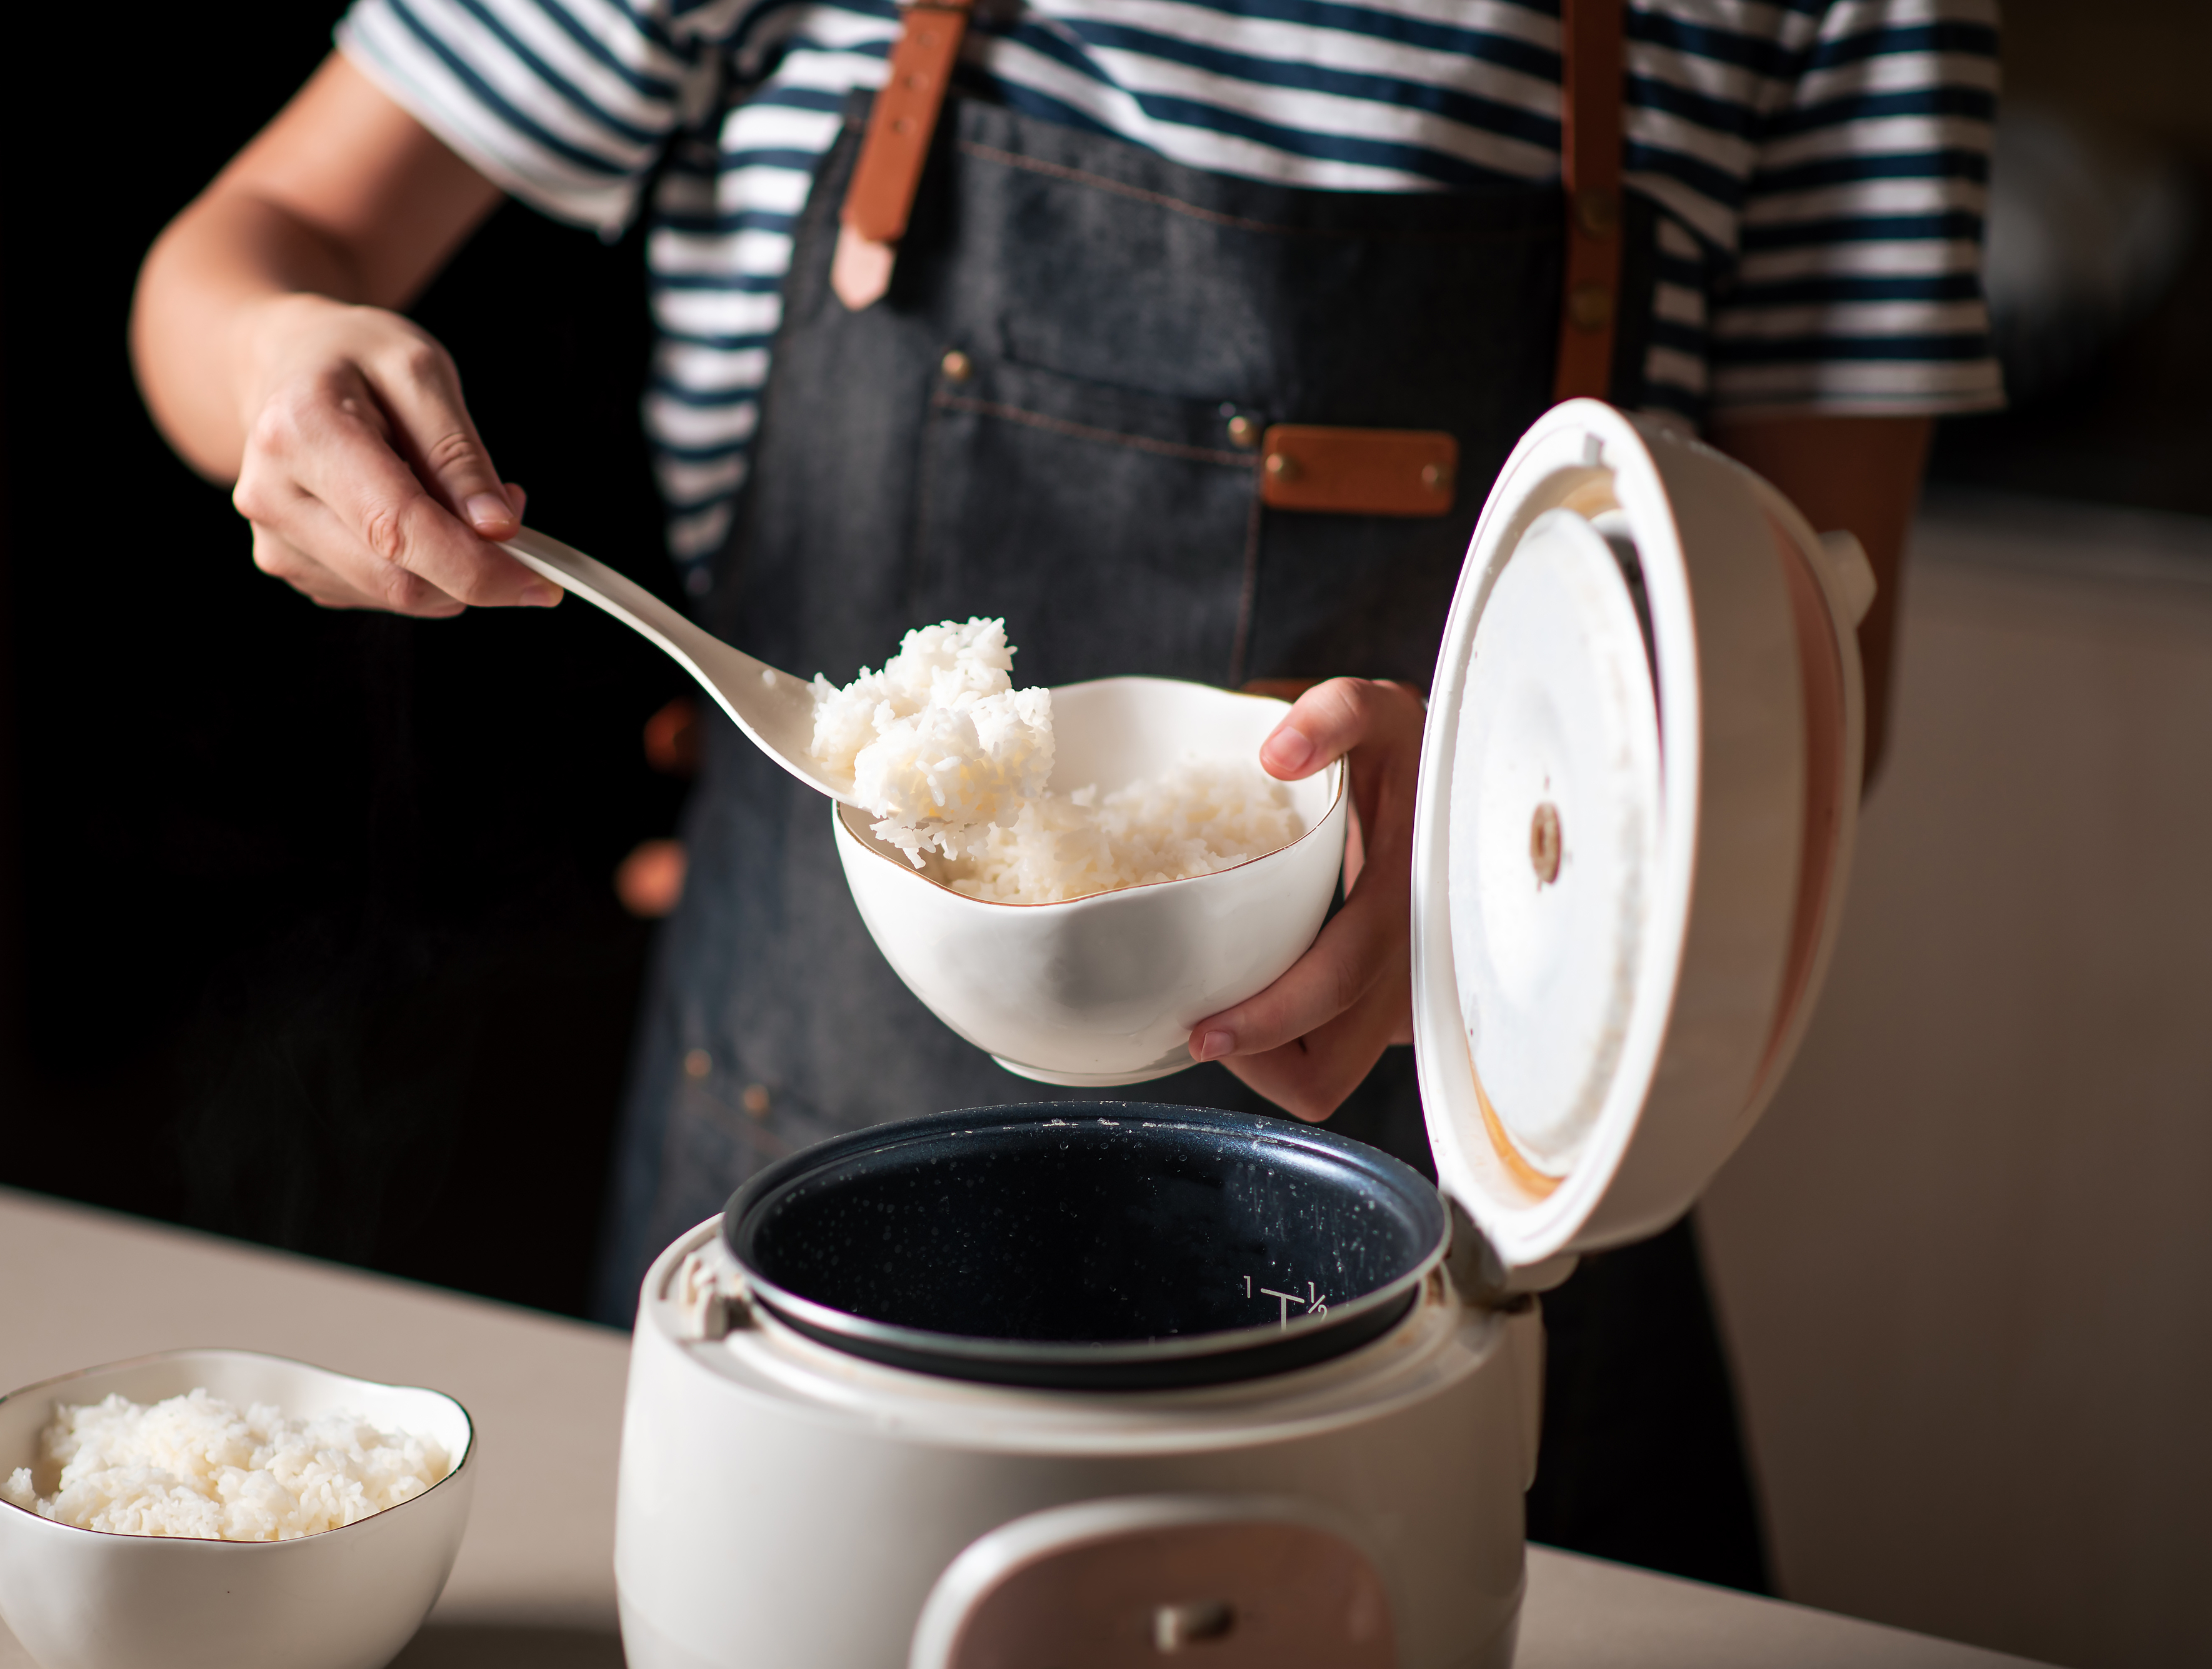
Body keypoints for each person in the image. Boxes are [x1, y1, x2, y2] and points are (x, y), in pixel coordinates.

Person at [132, 0, 2001, 1588]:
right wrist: (278, 367)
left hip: (1455, 1234)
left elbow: (1817, 684)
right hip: (802, 1221)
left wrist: (1527, 818)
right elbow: (252, 244)